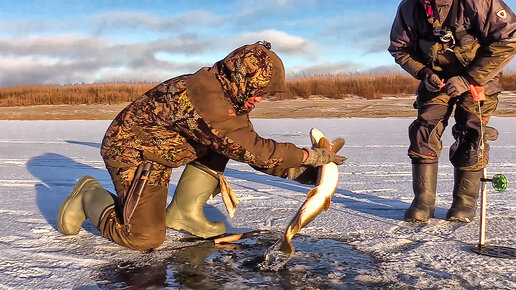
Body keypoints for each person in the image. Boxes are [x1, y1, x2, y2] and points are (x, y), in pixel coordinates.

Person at [56, 41, 346, 251]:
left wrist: (300, 172)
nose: (260, 99)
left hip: (169, 148)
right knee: (144, 238)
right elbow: (251, 149)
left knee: (223, 145)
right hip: (136, 153)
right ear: (242, 78)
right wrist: (306, 155)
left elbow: (246, 148)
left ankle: (185, 212)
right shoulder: (206, 99)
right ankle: (89, 196)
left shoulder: (227, 94)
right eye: (259, 92)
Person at [389, 0, 516, 223]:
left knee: (472, 131)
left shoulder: (479, 2)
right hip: (436, 80)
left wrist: (468, 79)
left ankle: (464, 202)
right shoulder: (409, 7)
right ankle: (423, 201)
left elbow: (510, 38)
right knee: (425, 129)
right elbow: (400, 49)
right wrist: (425, 74)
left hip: (479, 78)